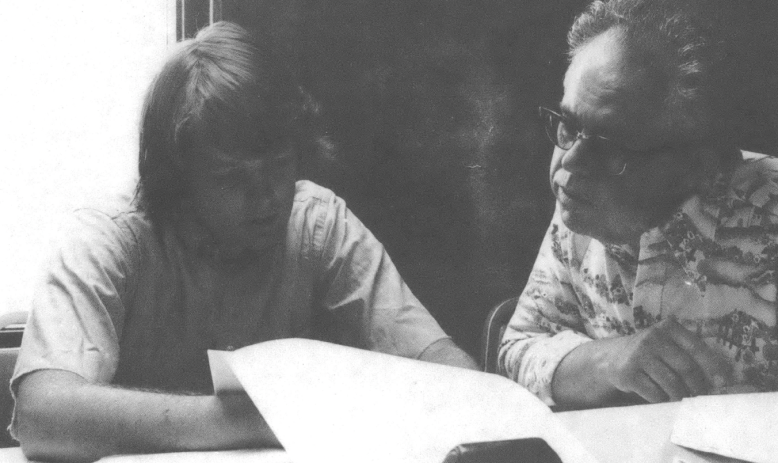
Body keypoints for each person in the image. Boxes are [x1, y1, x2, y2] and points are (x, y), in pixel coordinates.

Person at [12, 21, 478, 461]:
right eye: (231, 181)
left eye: (278, 167)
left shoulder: (317, 224)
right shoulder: (109, 240)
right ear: (178, 182)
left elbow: (452, 374)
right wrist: (258, 419)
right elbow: (42, 414)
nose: (267, 201)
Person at [499, 0, 778, 410]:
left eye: (609, 148)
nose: (570, 163)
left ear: (699, 165)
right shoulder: (579, 206)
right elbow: (519, 346)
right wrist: (608, 361)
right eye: (569, 125)